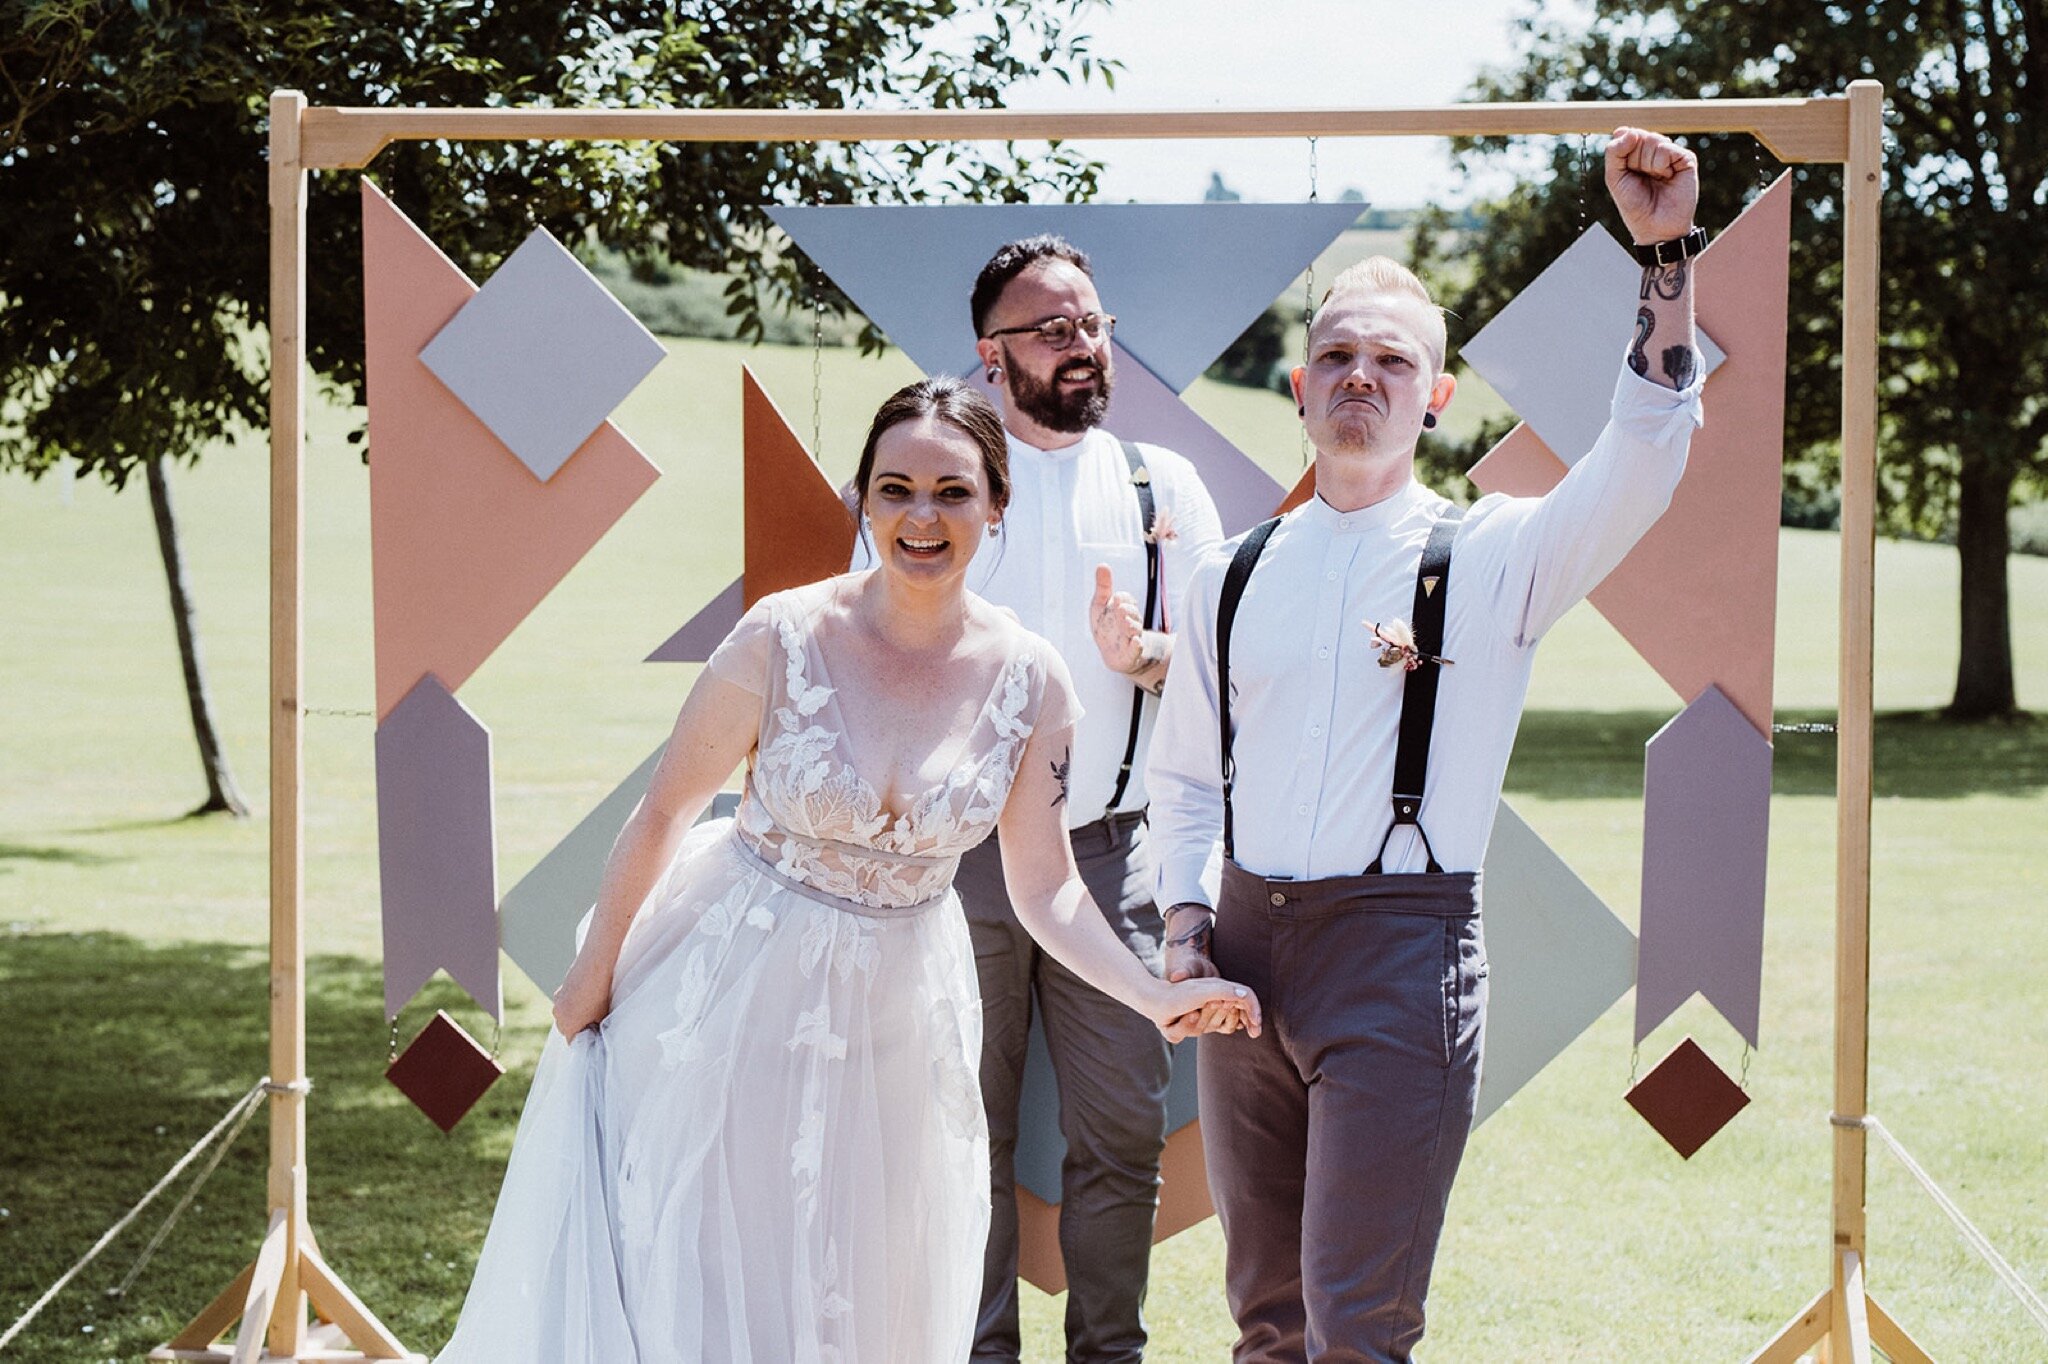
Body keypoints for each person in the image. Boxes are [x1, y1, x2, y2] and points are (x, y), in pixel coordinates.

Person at [437, 377, 1257, 1364]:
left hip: (901, 1018)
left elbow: (1043, 885)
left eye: (952, 491)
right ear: (861, 499)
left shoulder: (1032, 677)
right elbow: (664, 811)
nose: (922, 515)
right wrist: (589, 978)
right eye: (895, 487)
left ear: (997, 504)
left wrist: (1149, 993)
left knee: (862, 1288)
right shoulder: (777, 637)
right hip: (734, 991)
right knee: (717, 1269)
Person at [1145, 127, 1707, 1363]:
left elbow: (1645, 453)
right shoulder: (1224, 575)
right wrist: (1184, 931)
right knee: (1263, 1319)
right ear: (1296, 384)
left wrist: (1661, 257)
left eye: (1389, 361)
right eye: (1333, 356)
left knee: (1358, 1323)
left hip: (1397, 959)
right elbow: (1183, 781)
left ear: (1433, 395)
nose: (1359, 377)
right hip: (1237, 952)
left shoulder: (1494, 554)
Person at [961, 234, 1224, 1363]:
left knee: (1121, 1122)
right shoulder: (948, 479)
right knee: (958, 1125)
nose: (1080, 346)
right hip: (957, 860)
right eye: (1051, 329)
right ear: (992, 354)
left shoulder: (1163, 483)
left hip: (1112, 856)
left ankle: (1106, 1352)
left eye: (1092, 324)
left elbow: (1226, 671)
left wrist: (1151, 653)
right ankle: (974, 1350)